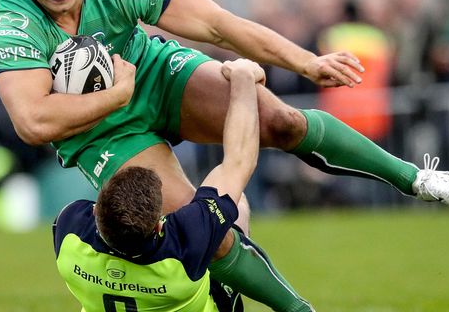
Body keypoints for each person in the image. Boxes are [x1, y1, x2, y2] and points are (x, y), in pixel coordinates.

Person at [0, 0, 449, 309]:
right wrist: (116, 95)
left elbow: (219, 24)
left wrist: (305, 61)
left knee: (282, 121)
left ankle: (416, 179)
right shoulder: (12, 20)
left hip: (156, 77)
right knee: (206, 234)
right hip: (102, 134)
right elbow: (33, 121)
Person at [54, 59, 312, 311]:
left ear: (96, 212)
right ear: (159, 224)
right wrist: (243, 80)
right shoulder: (186, 247)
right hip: (198, 291)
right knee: (237, 208)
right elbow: (238, 161)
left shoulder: (69, 231)